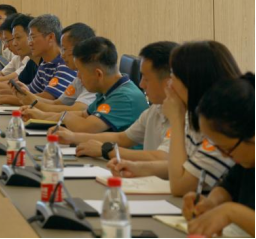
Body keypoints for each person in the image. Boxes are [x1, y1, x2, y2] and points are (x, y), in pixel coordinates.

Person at [109, 41, 240, 196]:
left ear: (193, 82)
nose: (169, 85)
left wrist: (177, 120)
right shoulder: (198, 118)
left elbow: (180, 186)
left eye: (173, 77)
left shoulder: (222, 128)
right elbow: (185, 167)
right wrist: (138, 168)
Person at [55, 41, 177, 161]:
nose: (141, 84)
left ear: (169, 82)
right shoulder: (155, 109)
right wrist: (72, 137)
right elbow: (122, 138)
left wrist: (106, 151)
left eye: (147, 79)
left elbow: (163, 158)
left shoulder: (183, 117)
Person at [182, 74, 254, 237]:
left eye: (227, 148)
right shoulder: (246, 161)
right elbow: (228, 187)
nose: (225, 155)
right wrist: (211, 203)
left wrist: (230, 212)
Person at [49, 36, 148, 132]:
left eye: (80, 71)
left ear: (98, 74)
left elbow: (85, 128)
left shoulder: (124, 97)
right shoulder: (108, 89)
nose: (78, 76)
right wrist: (43, 115)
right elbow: (84, 115)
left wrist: (65, 116)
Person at [19, 23, 97, 118]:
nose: (62, 55)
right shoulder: (78, 78)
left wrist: (38, 108)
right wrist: (29, 97)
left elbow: (79, 109)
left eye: (64, 49)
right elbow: (57, 103)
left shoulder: (94, 77)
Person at [0, 14, 74, 106]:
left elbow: (46, 97)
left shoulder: (65, 64)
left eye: (32, 37)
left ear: (50, 37)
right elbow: (31, 92)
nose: (30, 42)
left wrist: (1, 98)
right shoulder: (44, 64)